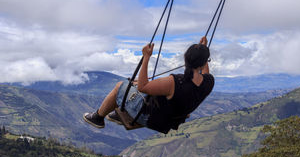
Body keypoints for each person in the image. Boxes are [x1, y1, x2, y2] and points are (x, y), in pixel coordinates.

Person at [83, 36, 214, 134]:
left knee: (121, 85)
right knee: (135, 84)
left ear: (186, 59)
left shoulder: (174, 82)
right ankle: (121, 113)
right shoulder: (208, 82)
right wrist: (203, 49)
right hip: (169, 120)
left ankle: (98, 117)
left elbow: (143, 87)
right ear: (203, 63)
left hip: (151, 118)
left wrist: (146, 57)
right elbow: (205, 73)